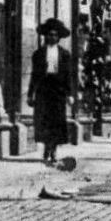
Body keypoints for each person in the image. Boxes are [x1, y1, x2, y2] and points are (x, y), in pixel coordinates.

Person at [27, 18, 74, 164]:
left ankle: (53, 150)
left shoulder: (65, 55)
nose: (52, 37)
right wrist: (30, 94)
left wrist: (70, 94)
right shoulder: (39, 54)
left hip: (58, 91)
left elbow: (68, 75)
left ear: (59, 37)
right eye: (49, 34)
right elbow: (34, 75)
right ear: (45, 36)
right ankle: (47, 148)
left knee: (57, 121)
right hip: (43, 90)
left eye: (54, 35)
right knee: (44, 120)